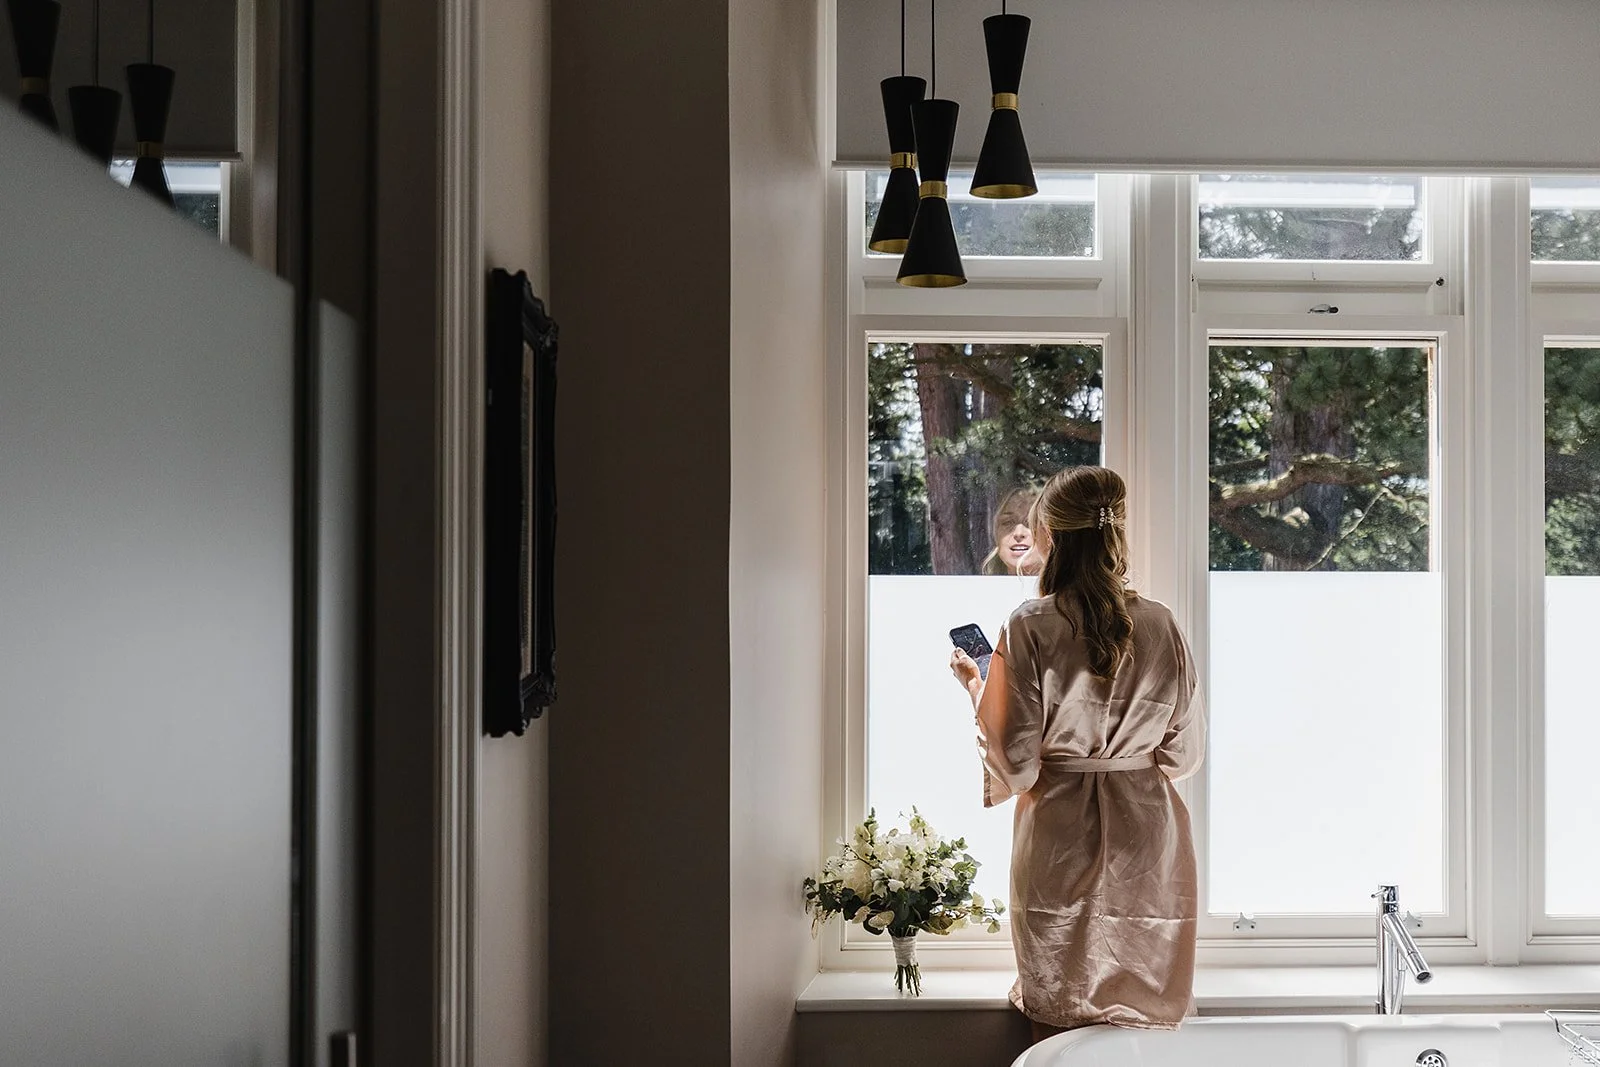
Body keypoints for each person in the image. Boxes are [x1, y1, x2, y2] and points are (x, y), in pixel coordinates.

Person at [948, 465, 1205, 1042]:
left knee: (1059, 1009)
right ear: (1118, 535)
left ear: (1049, 536)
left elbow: (1016, 763)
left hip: (1059, 831)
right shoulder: (1161, 624)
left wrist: (975, 685)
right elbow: (1184, 753)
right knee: (1144, 1009)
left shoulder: (1031, 624)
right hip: (1147, 833)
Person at [981, 487, 1040, 576]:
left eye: (1031, 522)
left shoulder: (1066, 588)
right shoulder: (979, 587)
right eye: (1008, 522)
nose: (1018, 533)